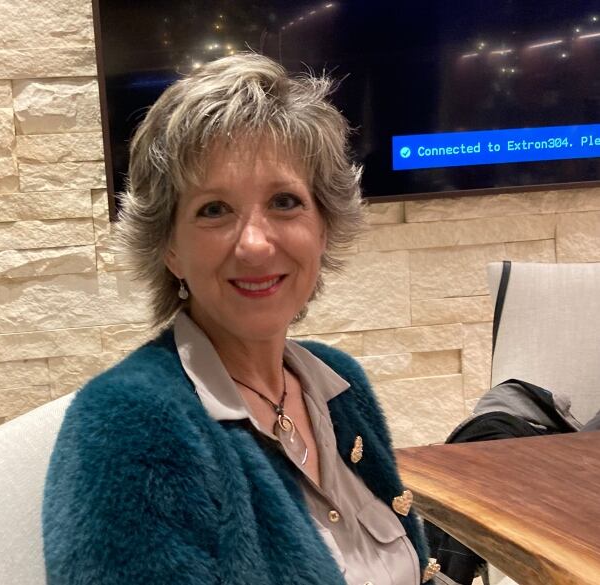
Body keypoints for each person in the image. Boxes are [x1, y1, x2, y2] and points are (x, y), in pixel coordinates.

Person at [42, 53, 439, 585]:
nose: (255, 244)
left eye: (284, 201)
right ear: (170, 249)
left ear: (323, 228)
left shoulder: (341, 385)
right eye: (214, 209)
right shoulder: (129, 428)